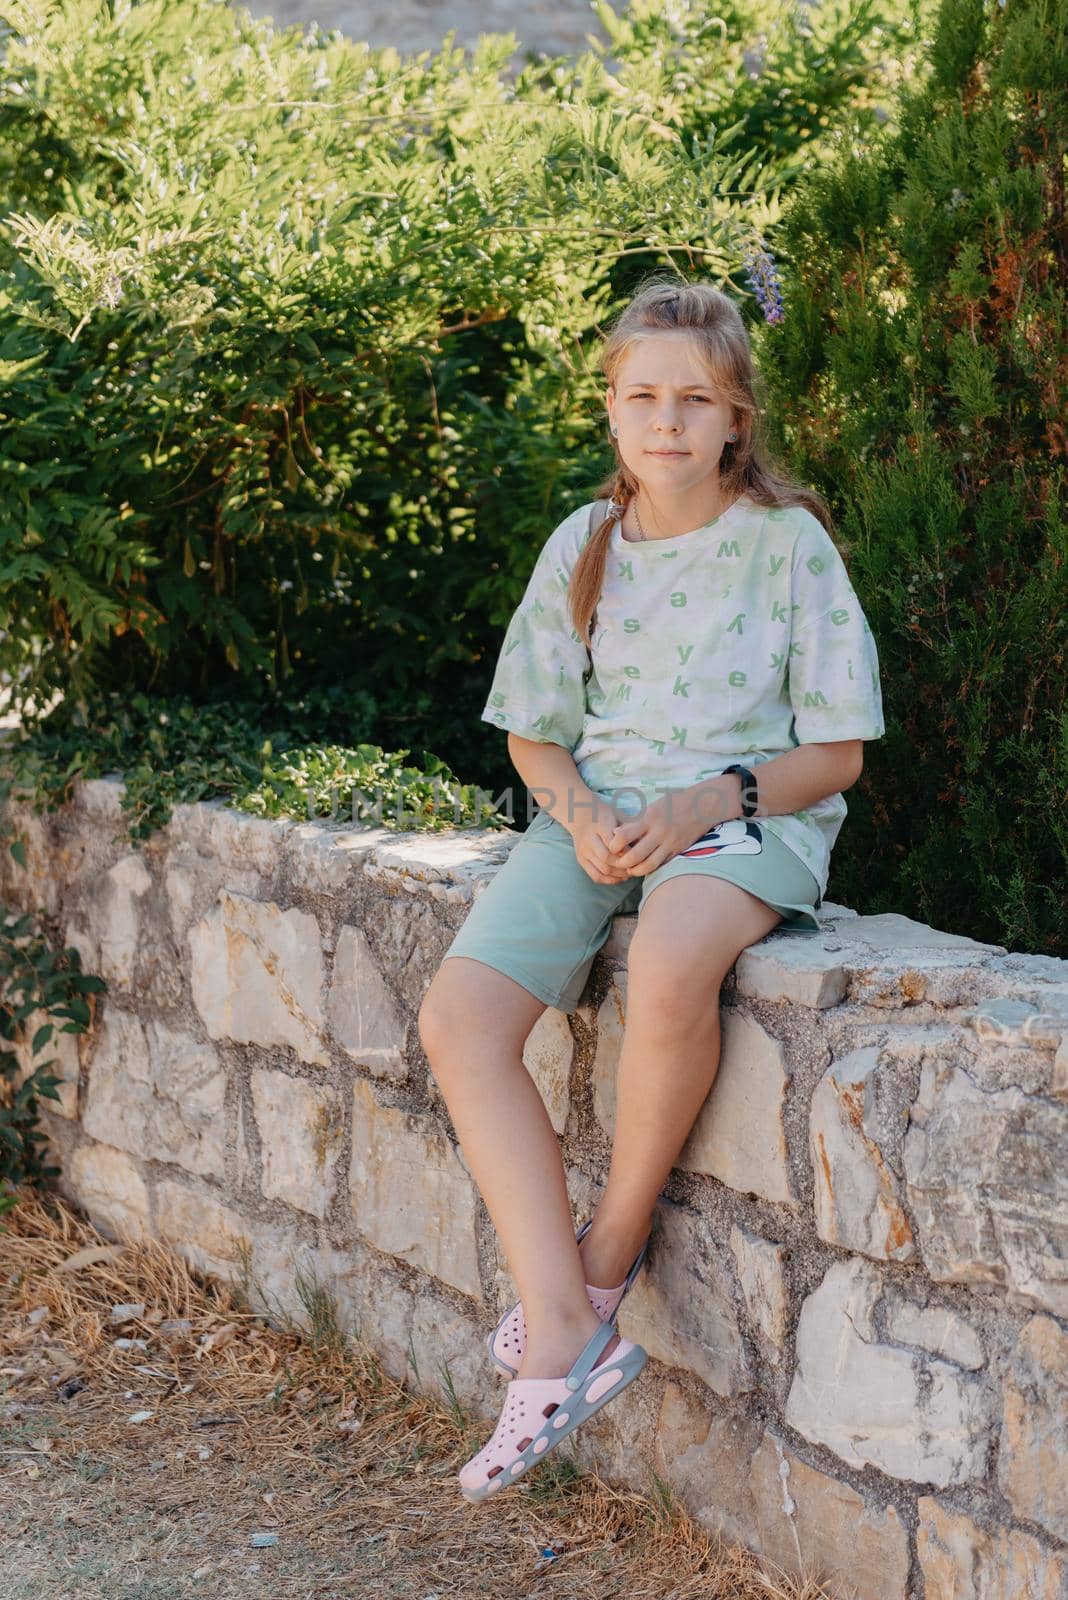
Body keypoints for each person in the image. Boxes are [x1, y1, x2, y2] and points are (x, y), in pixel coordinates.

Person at [417, 277, 885, 1502]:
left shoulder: (786, 543)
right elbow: (534, 734)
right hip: (598, 813)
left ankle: (608, 1251)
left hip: (745, 816)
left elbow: (834, 752)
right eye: (642, 396)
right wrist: (579, 817)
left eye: (694, 399)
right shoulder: (583, 541)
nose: (666, 421)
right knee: (459, 1020)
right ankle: (561, 1313)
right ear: (611, 409)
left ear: (737, 416)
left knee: (677, 955)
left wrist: (702, 804)